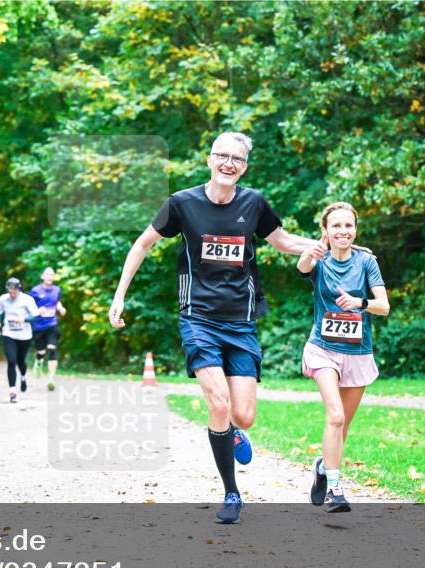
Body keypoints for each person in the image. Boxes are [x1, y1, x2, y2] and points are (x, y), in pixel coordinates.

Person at [108, 132, 333, 524]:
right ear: (210, 159)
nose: (229, 163)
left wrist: (322, 245)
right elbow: (143, 244)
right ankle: (231, 492)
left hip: (241, 320)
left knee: (243, 416)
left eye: (238, 159)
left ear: (245, 166)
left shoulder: (254, 202)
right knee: (219, 403)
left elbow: (280, 241)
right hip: (198, 317)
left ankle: (232, 432)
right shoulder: (182, 203)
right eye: (222, 156)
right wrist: (119, 294)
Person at [298, 202, 389, 513]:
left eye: (348, 226)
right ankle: (336, 490)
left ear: (355, 229)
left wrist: (359, 302)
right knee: (334, 416)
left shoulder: (366, 262)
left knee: (343, 426)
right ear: (326, 231)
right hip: (323, 349)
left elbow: (384, 305)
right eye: (336, 226)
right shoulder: (318, 260)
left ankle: (323, 467)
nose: (343, 231)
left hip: (358, 353)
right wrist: (313, 250)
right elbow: (302, 268)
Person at [0, 277, 39, 403]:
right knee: (11, 360)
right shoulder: (3, 299)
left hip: (24, 334)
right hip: (9, 333)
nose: (12, 294)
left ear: (19, 289)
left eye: (14, 291)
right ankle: (13, 391)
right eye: (10, 291)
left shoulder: (27, 300)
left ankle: (23, 377)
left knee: (21, 361)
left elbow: (36, 316)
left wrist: (23, 320)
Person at [30, 267, 67, 390]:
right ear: (42, 276)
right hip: (39, 326)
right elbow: (29, 307)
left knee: (52, 350)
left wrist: (60, 308)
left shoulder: (57, 290)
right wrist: (37, 310)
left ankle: (51, 378)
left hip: (52, 324)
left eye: (52, 274)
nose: (50, 277)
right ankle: (38, 361)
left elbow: (57, 302)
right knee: (41, 352)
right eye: (47, 274)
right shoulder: (35, 291)